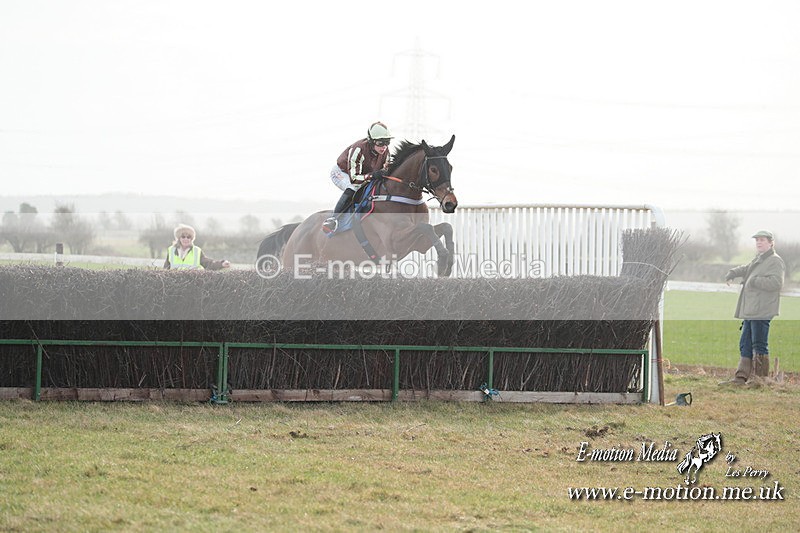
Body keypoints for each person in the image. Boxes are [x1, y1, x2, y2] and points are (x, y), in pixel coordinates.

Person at [720, 230, 785, 385]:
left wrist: (754, 280)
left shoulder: (775, 261)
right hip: (752, 309)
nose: (759, 243)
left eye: (762, 240)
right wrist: (732, 273)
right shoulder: (759, 259)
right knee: (745, 343)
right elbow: (746, 269)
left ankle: (760, 380)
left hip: (763, 309)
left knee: (759, 344)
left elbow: (777, 283)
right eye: (757, 240)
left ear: (771, 243)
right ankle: (740, 378)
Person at [321, 121, 392, 233]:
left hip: (362, 174)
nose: (384, 147)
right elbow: (354, 179)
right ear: (371, 141)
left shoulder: (386, 152)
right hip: (342, 172)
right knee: (354, 187)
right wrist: (372, 175)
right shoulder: (358, 149)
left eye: (387, 142)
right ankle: (333, 220)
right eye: (380, 143)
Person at [164, 223, 231, 270]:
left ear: (191, 239)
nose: (186, 239)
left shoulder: (197, 251)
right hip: (174, 284)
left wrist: (221, 264)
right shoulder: (171, 250)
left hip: (192, 284)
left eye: (188, 237)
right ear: (179, 238)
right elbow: (165, 269)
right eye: (183, 236)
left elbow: (208, 263)